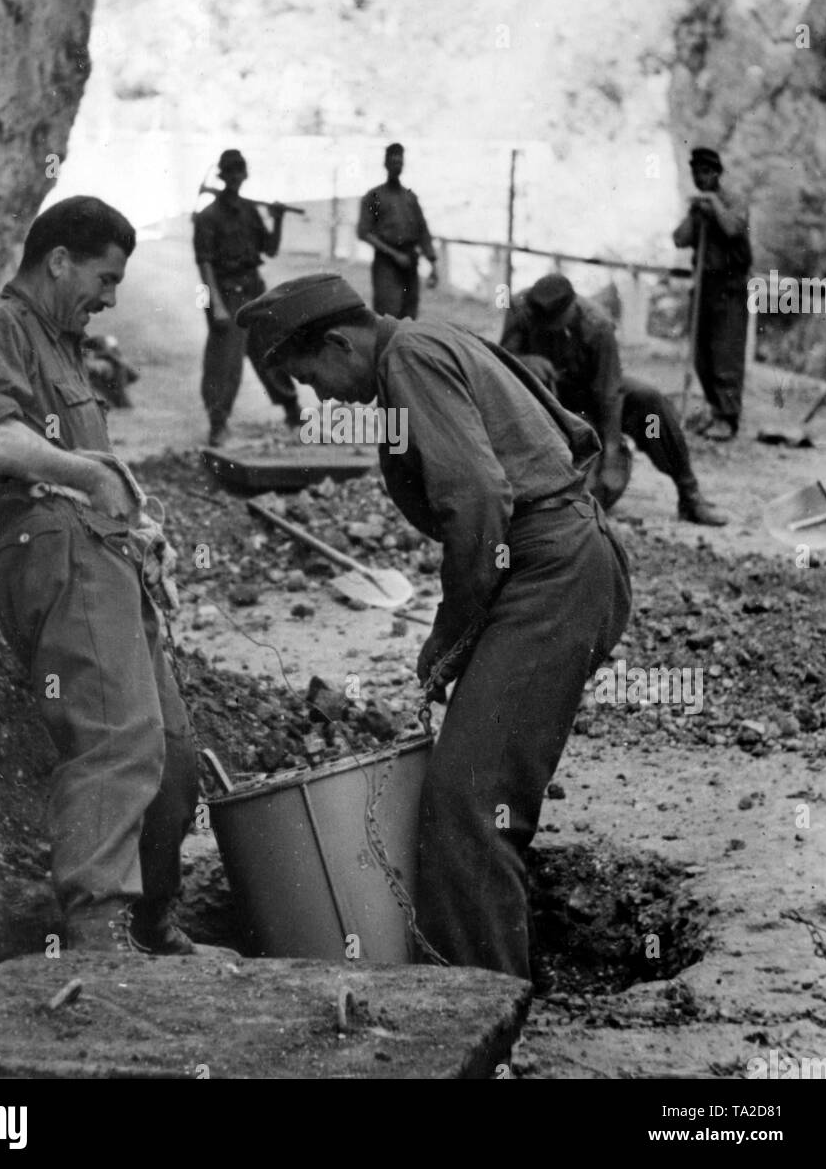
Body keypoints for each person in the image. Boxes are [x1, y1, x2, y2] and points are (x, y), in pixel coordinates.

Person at [236, 274, 631, 979]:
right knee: (475, 793)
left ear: (337, 342)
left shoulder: (408, 359)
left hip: (550, 575)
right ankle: (478, 985)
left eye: (311, 377)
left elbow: (477, 498)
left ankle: (480, 1016)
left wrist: (449, 634)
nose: (320, 397)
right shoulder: (421, 345)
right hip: (546, 568)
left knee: (470, 807)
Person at [0, 196, 201, 954]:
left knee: (174, 756)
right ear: (59, 260)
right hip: (55, 547)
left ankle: (155, 924)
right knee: (118, 739)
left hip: (108, 554)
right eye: (105, 277)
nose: (111, 297)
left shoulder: (61, 342)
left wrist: (137, 522)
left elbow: (92, 470)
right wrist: (88, 480)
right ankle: (98, 927)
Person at [500, 273, 727, 526]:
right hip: (541, 403)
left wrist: (610, 458)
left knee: (648, 401)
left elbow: (609, 394)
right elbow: (498, 363)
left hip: (590, 400)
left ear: (571, 308)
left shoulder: (597, 326)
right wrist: (524, 361)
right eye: (542, 322)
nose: (546, 326)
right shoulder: (521, 308)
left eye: (553, 322)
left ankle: (690, 495)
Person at [193, 148, 302, 445]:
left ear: (245, 175)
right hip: (226, 296)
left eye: (240, 171)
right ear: (223, 176)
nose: (236, 177)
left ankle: (294, 413)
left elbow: (270, 249)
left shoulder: (250, 211)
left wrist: (277, 219)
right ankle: (218, 424)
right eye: (230, 172)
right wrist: (214, 306)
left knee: (271, 352)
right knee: (224, 362)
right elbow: (204, 266)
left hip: (255, 292)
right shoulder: (207, 217)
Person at [673, 146, 752, 441]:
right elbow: (679, 239)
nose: (700, 178)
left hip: (730, 287)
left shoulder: (734, 200)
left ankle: (728, 418)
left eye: (705, 173)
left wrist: (714, 204)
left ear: (717, 173)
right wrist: (695, 213)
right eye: (696, 173)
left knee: (725, 353)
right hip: (705, 285)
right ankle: (713, 409)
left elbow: (733, 229)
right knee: (702, 355)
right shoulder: (700, 207)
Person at [357, 142, 438, 319]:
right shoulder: (374, 196)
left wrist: (432, 263)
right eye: (393, 162)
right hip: (386, 263)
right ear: (385, 164)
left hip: (410, 262)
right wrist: (394, 255)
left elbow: (423, 231)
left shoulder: (410, 197)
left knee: (409, 317)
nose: (397, 166)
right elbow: (364, 232)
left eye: (400, 162)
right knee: (387, 315)